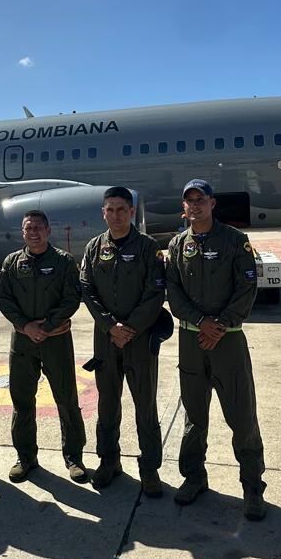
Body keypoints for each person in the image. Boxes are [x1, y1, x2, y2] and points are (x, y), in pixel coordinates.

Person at [165, 179, 267, 520]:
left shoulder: (236, 242)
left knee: (241, 416)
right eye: (189, 201)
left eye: (200, 199)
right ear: (184, 207)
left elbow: (246, 286)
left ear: (212, 204)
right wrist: (200, 321)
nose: (194, 206)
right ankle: (194, 478)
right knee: (195, 416)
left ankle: (253, 488)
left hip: (228, 342)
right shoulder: (178, 244)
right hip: (192, 341)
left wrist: (219, 325)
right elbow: (174, 292)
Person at [79, 187, 166, 495]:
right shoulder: (94, 247)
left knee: (145, 405)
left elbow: (155, 292)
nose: (115, 215)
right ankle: (109, 461)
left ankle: (150, 468)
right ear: (103, 213)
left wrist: (129, 327)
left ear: (131, 212)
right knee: (107, 404)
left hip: (139, 340)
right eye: (110, 210)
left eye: (121, 209)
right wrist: (109, 326)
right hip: (106, 341)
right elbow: (86, 289)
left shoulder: (147, 247)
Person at [0, 210, 90, 484]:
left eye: (38, 227)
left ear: (49, 230)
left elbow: (72, 297)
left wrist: (48, 326)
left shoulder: (63, 261)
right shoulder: (13, 262)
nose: (33, 232)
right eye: (28, 228)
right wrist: (27, 327)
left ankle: (74, 457)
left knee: (67, 400)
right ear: (22, 232)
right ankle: (25, 457)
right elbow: (5, 299)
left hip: (56, 340)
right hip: (23, 341)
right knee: (22, 400)